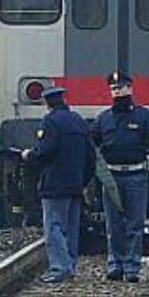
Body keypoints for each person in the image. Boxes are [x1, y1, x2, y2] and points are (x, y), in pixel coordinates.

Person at [90, 71, 149, 283]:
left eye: (121, 88)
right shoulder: (103, 119)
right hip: (111, 178)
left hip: (136, 176)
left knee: (135, 223)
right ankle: (115, 264)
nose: (117, 92)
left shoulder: (143, 117)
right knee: (113, 224)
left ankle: (132, 267)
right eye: (114, 89)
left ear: (130, 89)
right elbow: (91, 144)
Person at [22, 86, 96, 283]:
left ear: (47, 103)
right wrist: (83, 180)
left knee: (54, 226)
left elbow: (46, 150)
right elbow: (91, 156)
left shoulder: (50, 121)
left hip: (54, 183)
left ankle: (60, 268)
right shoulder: (79, 121)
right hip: (75, 184)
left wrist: (30, 155)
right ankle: (69, 264)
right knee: (71, 228)